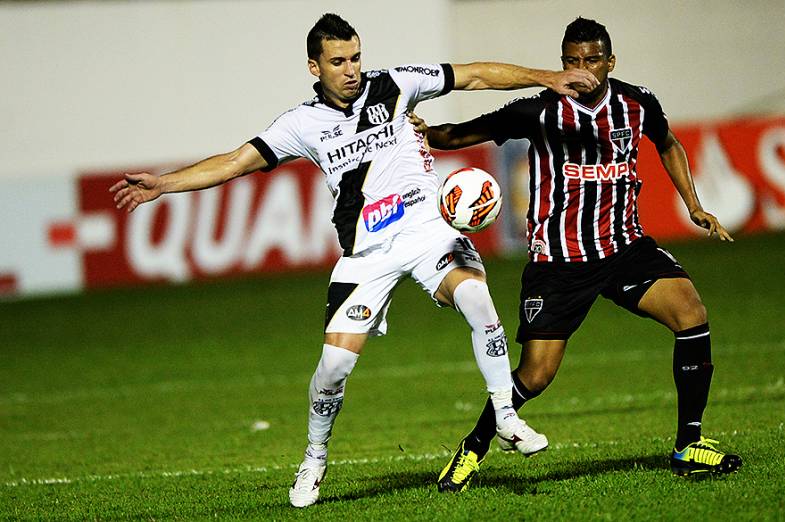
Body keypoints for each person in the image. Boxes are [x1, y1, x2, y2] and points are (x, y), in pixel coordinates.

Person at [109, 13, 598, 508]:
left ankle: (505, 417)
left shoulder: (396, 85)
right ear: (313, 67)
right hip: (366, 254)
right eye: (338, 61)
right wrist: (165, 184)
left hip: (428, 230)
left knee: (474, 294)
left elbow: (472, 74)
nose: (351, 70)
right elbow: (236, 162)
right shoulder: (301, 124)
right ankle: (314, 458)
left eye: (356, 57)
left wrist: (547, 77)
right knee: (334, 367)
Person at [410, 16, 743, 492]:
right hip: (560, 262)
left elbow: (668, 144)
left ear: (610, 62)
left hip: (625, 246)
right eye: (571, 61)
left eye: (591, 60)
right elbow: (461, 134)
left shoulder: (637, 103)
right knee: (537, 374)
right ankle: (474, 446)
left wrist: (694, 205)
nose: (582, 69)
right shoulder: (539, 111)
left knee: (691, 313)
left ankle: (689, 446)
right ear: (562, 64)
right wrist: (422, 131)